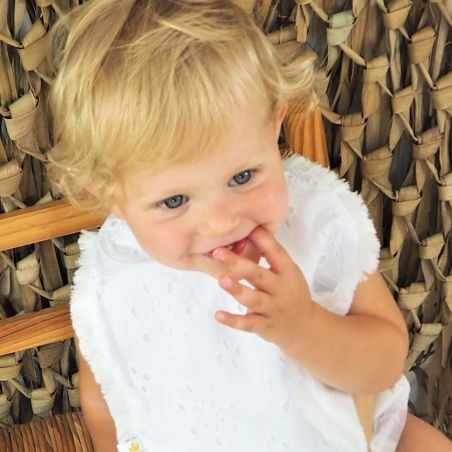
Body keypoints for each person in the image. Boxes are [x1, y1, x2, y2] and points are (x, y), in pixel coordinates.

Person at [47, 0, 452, 451]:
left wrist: (306, 329)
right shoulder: (116, 276)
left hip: (356, 432)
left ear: (274, 125)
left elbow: (385, 362)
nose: (222, 222)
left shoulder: (311, 224)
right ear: (110, 196)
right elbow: (108, 396)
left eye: (242, 177)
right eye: (174, 201)